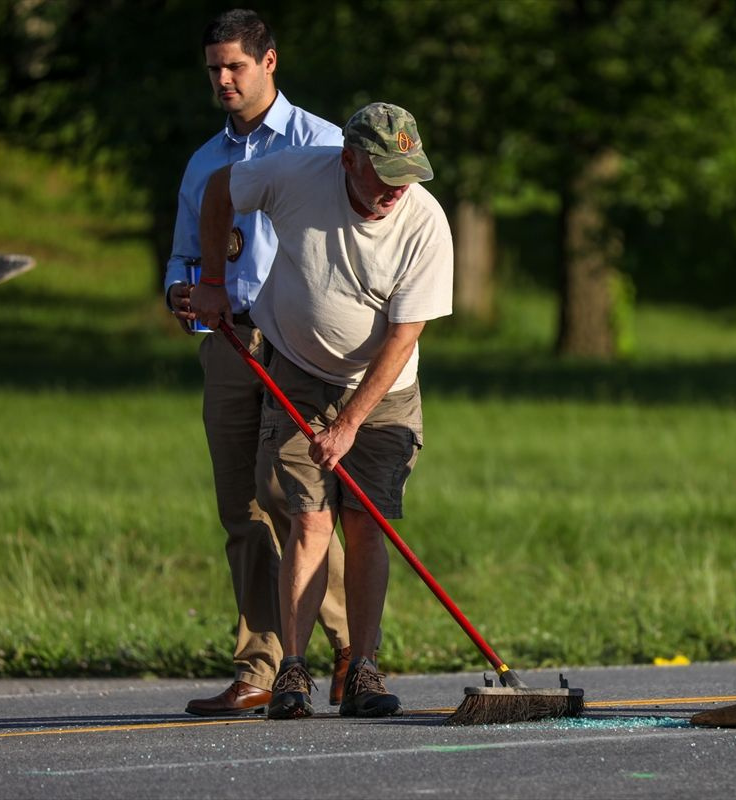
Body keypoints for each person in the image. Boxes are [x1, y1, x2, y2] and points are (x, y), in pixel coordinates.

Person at [191, 101, 453, 719]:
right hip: (299, 375)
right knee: (308, 520)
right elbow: (219, 187)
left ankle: (363, 667)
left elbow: (402, 336)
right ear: (348, 160)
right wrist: (211, 280)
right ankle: (292, 672)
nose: (396, 189)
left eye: (407, 172)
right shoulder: (298, 173)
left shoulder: (425, 223)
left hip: (382, 392)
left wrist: (347, 426)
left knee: (364, 524)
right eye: (383, 173)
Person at [164, 8, 356, 717]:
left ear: (269, 63)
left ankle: (347, 649)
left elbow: (353, 242)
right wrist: (181, 293)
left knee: (298, 501)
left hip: (300, 345)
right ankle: (258, 665)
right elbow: (185, 252)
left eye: (235, 66)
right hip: (230, 342)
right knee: (240, 508)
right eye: (214, 67)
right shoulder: (204, 161)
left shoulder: (323, 144)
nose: (222, 79)